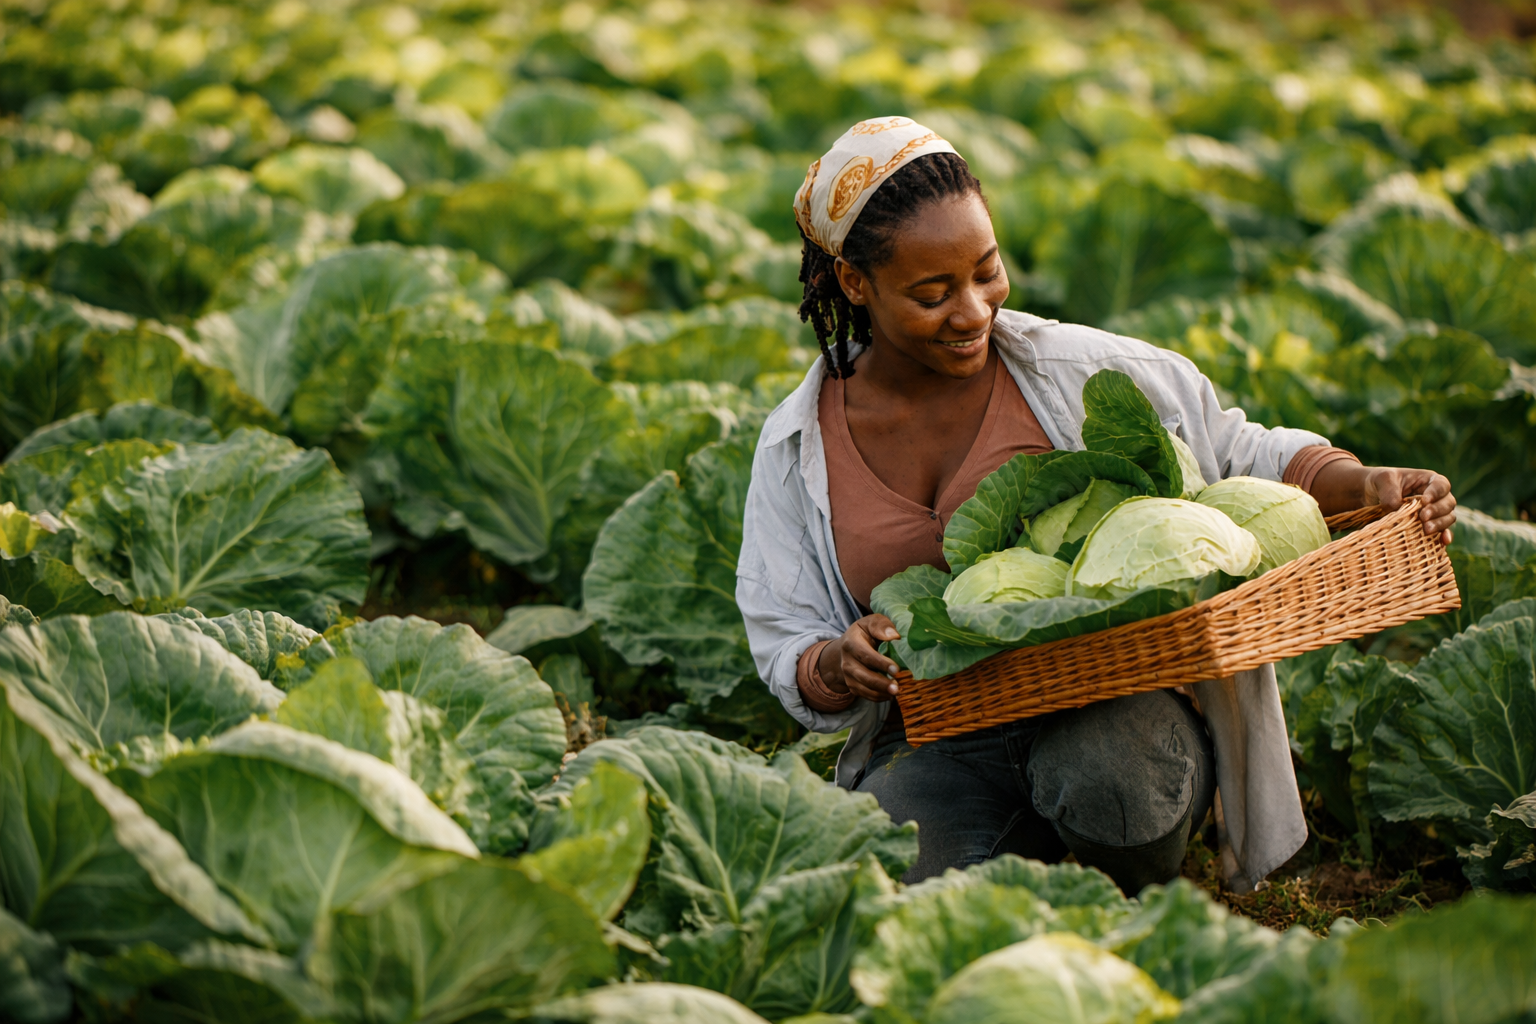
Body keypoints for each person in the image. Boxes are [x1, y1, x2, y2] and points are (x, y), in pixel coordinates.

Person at [735, 117, 1459, 895]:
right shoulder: (795, 445)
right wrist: (839, 663)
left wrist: (1364, 481)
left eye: (987, 271)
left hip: (1113, 703)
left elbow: (1242, 454)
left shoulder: (1078, 371)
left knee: (1118, 793)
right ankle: (1034, 866)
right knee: (881, 890)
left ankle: (1116, 872)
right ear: (854, 284)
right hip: (941, 735)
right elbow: (788, 636)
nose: (975, 310)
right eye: (933, 293)